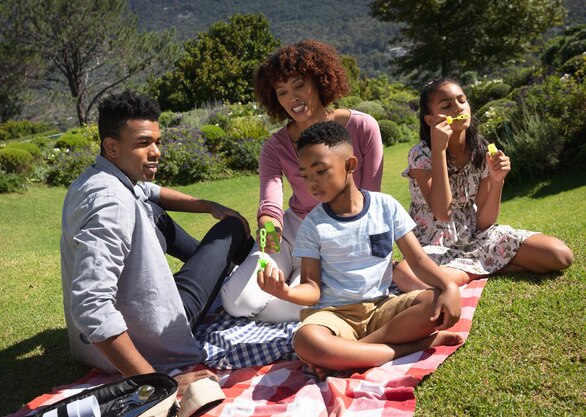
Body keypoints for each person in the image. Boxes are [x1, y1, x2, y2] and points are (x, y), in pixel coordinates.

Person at [60, 90, 253, 392]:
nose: (156, 152)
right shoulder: (111, 204)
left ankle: (228, 272)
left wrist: (208, 205)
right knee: (231, 228)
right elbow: (90, 305)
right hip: (160, 329)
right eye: (143, 143)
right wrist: (157, 382)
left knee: (154, 210)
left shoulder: (96, 177)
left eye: (157, 142)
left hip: (125, 323)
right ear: (111, 146)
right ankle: (253, 274)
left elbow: (152, 192)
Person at [257, 121, 462, 378]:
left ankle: (351, 353)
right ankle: (411, 346)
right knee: (306, 341)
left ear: (350, 165)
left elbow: (418, 259)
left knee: (434, 302)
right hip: (334, 316)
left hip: (381, 309)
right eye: (305, 175)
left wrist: (449, 287)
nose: (312, 183)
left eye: (320, 171)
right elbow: (312, 288)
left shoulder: (385, 206)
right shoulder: (312, 225)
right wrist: (285, 291)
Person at [221, 39, 384, 322]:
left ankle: (297, 291)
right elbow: (270, 205)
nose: (292, 98)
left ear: (319, 81)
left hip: (342, 233)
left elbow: (371, 200)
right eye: (282, 92)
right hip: (292, 232)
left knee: (304, 302)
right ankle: (294, 287)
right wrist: (267, 238)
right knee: (237, 303)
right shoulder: (275, 147)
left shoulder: (363, 127)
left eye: (299, 85)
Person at [396, 77, 574, 291]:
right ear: (429, 119)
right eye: (446, 105)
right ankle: (483, 269)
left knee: (560, 255)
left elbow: (484, 222)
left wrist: (498, 180)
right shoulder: (421, 155)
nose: (458, 108)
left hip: (475, 238)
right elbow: (443, 213)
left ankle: (463, 273)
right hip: (434, 246)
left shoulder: (480, 150)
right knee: (406, 276)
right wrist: (439, 151)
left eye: (462, 101)